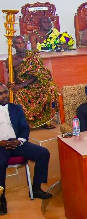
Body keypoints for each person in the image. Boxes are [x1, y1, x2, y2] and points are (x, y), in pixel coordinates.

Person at [0, 83, 52, 215]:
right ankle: (1, 201)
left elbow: (24, 128)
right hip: (1, 146)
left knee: (43, 153)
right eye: (1, 94)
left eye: (5, 92)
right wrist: (1, 143)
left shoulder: (16, 108)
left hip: (17, 143)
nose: (5, 95)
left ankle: (36, 189)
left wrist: (20, 141)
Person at [6, 36, 57, 129]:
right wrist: (11, 84)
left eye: (22, 42)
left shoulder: (33, 56)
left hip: (35, 83)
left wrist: (23, 84)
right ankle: (25, 124)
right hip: (21, 86)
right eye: (17, 43)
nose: (20, 45)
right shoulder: (11, 60)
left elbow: (39, 73)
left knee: (50, 89)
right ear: (13, 46)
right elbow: (11, 77)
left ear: (25, 43)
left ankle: (45, 121)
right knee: (18, 94)